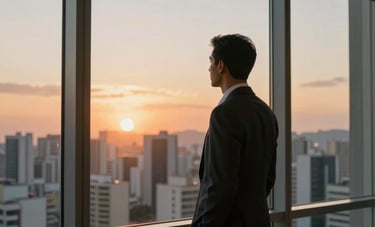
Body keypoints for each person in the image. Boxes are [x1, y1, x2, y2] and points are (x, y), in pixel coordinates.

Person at [191, 34, 278, 227]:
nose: (209, 68)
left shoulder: (224, 114)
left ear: (221, 66)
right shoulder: (266, 113)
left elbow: (219, 186)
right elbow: (268, 178)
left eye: (211, 61)